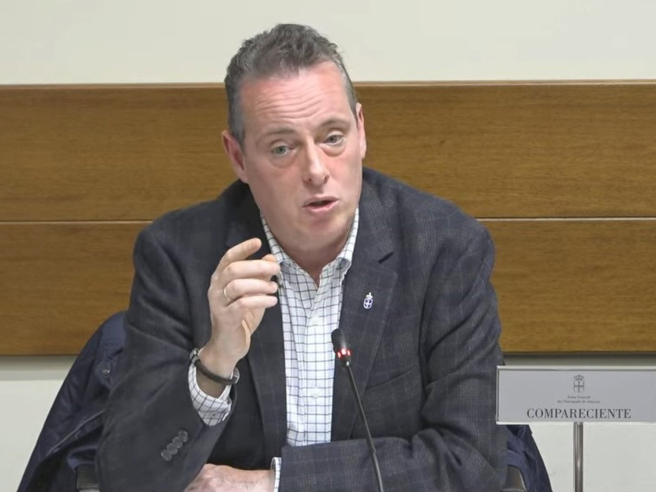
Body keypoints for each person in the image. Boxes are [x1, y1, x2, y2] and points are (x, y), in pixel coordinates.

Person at [97, 23, 506, 492]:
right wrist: (214, 362)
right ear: (238, 157)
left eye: (332, 138)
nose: (315, 170)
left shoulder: (444, 248)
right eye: (282, 148)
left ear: (361, 130)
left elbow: (473, 461)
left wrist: (274, 484)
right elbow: (126, 477)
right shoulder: (179, 257)